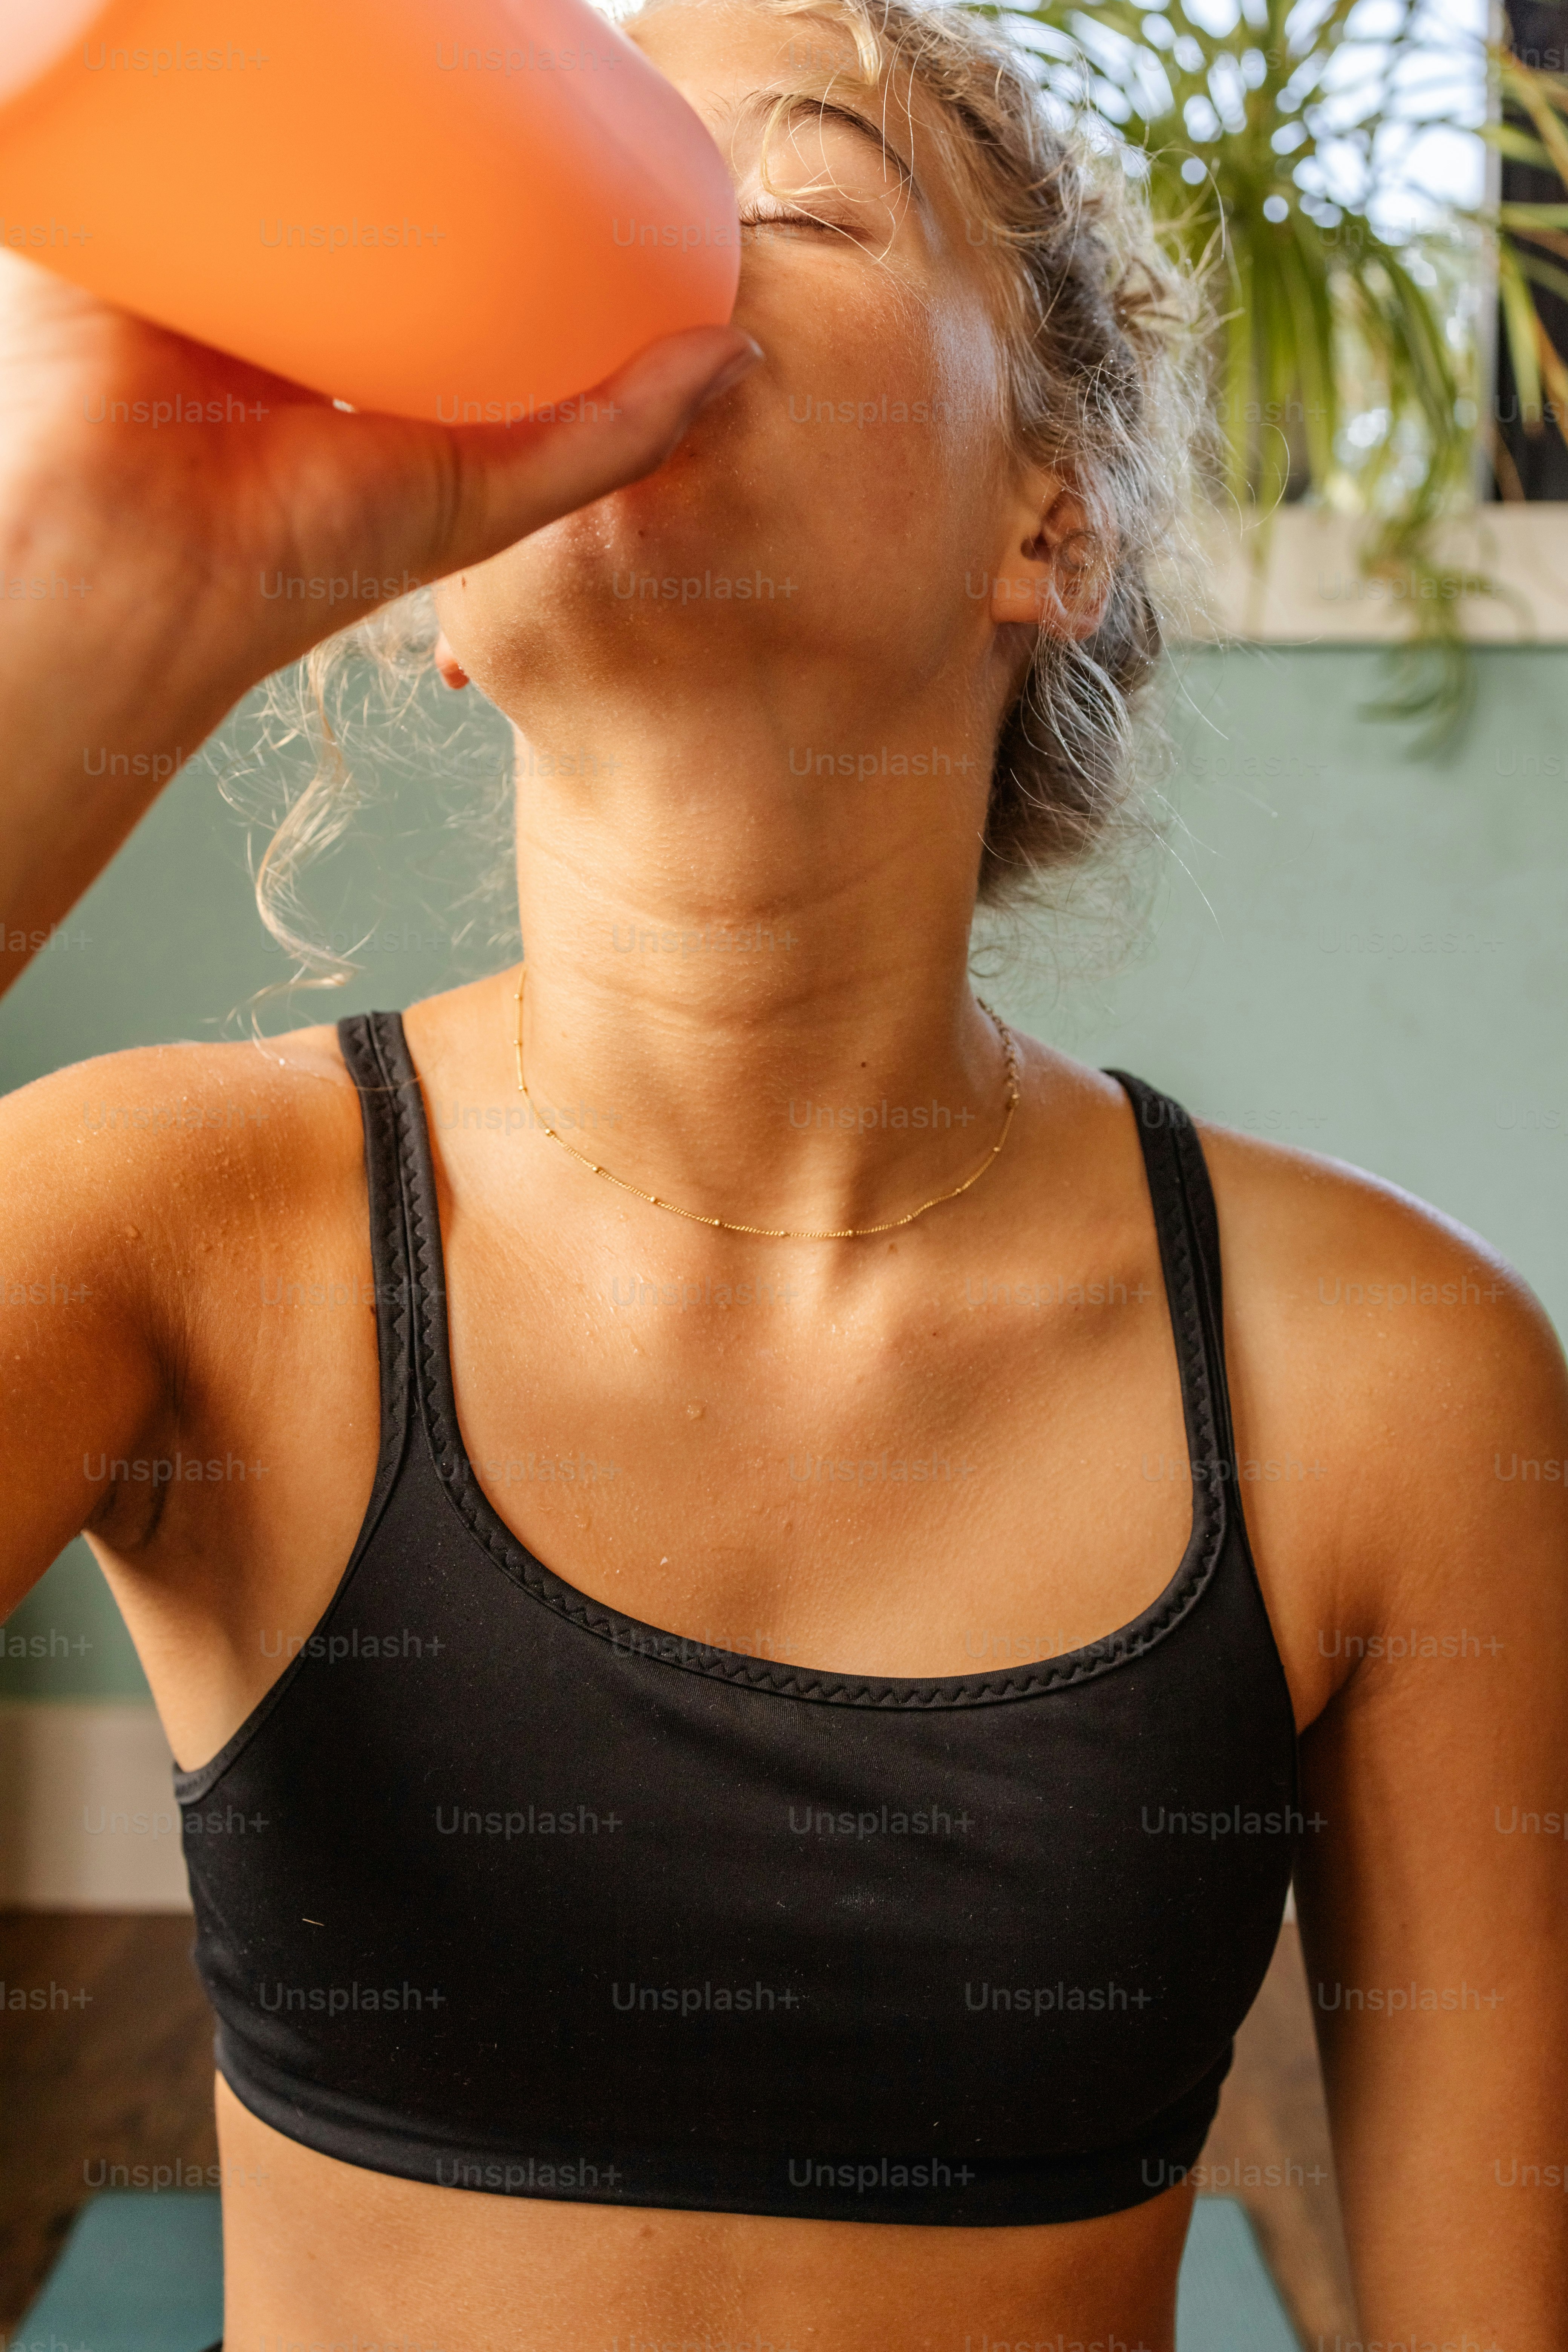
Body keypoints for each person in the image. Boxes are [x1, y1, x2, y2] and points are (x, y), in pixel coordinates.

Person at [2, 2, 1564, 2346]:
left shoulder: (1387, 1371)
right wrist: (75, 594)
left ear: (1049, 518)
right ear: (436, 613)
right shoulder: (167, 1224)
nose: (643, 250)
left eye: (797, 200)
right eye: (595, 176)